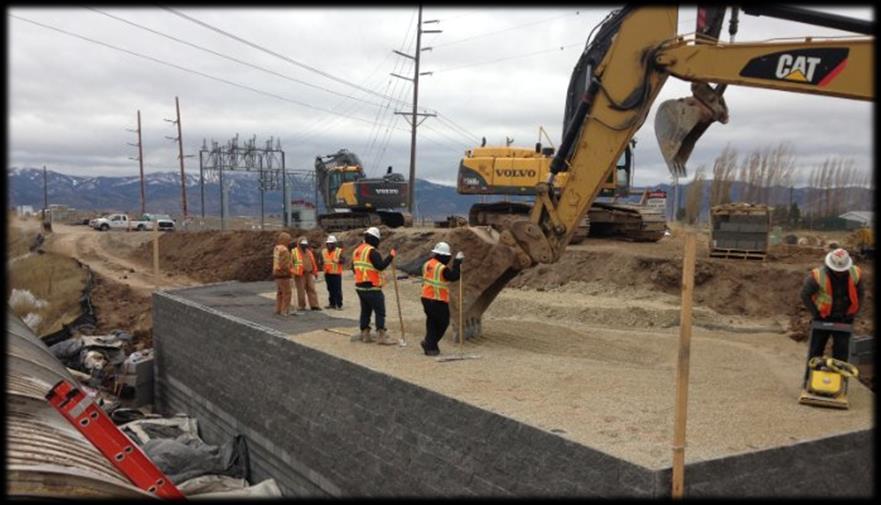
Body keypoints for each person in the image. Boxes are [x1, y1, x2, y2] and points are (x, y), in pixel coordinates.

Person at [800, 248, 864, 373]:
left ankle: (839, 382)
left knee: (841, 353)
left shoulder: (855, 273)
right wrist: (816, 313)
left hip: (844, 318)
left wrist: (853, 312)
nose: (839, 273)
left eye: (842, 271)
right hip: (823, 317)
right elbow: (805, 294)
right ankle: (810, 379)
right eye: (836, 271)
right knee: (815, 351)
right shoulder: (818, 275)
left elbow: (861, 293)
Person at [352, 227, 397, 345]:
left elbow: (354, 268)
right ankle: (381, 335)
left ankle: (365, 333)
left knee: (365, 311)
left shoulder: (357, 251)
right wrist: (391, 256)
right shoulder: (372, 251)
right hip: (372, 286)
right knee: (380, 311)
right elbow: (380, 266)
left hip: (360, 286)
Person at [419, 242, 463, 356]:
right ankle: (430, 344)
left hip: (425, 297)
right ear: (444, 256)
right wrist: (457, 262)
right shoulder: (441, 268)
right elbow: (454, 276)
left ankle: (430, 345)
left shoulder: (427, 264)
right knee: (443, 322)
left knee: (432, 322)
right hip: (437, 299)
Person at [291, 236, 321, 311]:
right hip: (300, 274)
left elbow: (313, 262)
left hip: (309, 273)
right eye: (302, 245)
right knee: (301, 290)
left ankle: (314, 305)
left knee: (311, 289)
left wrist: (315, 272)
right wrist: (293, 272)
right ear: (299, 244)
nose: (304, 246)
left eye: (305, 245)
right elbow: (290, 264)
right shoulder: (294, 252)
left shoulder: (309, 252)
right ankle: (301, 305)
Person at [272, 232, 294, 317]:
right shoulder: (284, 250)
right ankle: (285, 310)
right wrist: (291, 271)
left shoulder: (277, 248)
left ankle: (278, 309)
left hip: (277, 274)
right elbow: (284, 265)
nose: (289, 241)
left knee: (280, 293)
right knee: (287, 293)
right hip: (284, 275)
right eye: (288, 240)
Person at [321, 235, 344, 310]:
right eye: (328, 243)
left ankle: (339, 304)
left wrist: (338, 261)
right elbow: (322, 261)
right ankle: (332, 303)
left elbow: (343, 260)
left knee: (337, 290)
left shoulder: (339, 251)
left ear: (334, 244)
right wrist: (321, 262)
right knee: (330, 289)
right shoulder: (324, 251)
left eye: (331, 243)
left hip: (336, 274)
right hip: (327, 273)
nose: (329, 245)